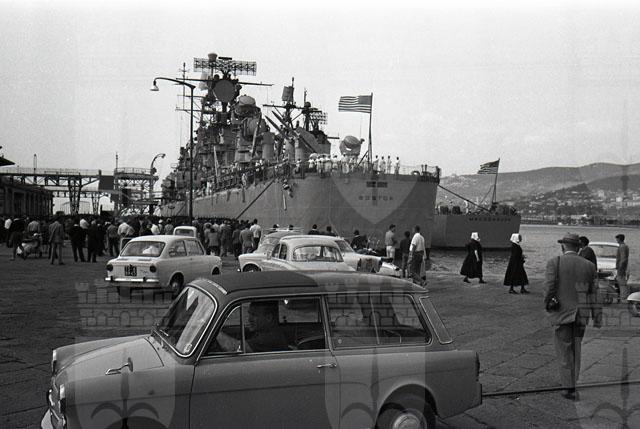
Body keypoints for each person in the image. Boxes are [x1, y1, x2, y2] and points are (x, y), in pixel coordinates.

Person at [544, 232, 601, 400]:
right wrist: (597, 316)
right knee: (576, 348)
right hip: (582, 314)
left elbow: (549, 288)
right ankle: (573, 384)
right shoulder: (589, 266)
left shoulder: (554, 262)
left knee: (564, 349)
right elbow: (595, 293)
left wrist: (547, 306)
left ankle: (567, 387)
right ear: (578, 247)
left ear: (563, 246)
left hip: (562, 313)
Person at [615, 233, 630, 301]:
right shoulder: (625, 246)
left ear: (619, 239)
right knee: (622, 281)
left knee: (621, 282)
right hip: (623, 267)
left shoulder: (622, 247)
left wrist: (620, 266)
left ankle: (623, 296)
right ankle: (624, 295)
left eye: (617, 239)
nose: (616, 240)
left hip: (621, 268)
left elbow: (623, 258)